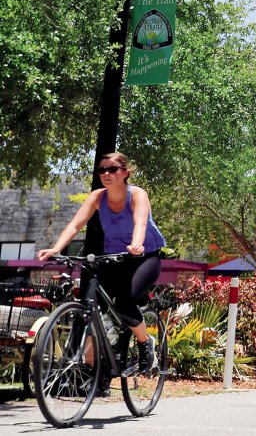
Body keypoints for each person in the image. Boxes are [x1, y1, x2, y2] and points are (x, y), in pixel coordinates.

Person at [36, 152, 165, 379]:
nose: (106, 173)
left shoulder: (137, 194)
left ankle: (146, 344)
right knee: (90, 310)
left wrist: (136, 244)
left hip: (144, 256)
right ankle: (96, 373)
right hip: (114, 257)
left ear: (125, 173)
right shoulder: (97, 196)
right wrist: (56, 249)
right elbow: (75, 225)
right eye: (102, 170)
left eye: (112, 169)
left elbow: (140, 221)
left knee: (125, 301)